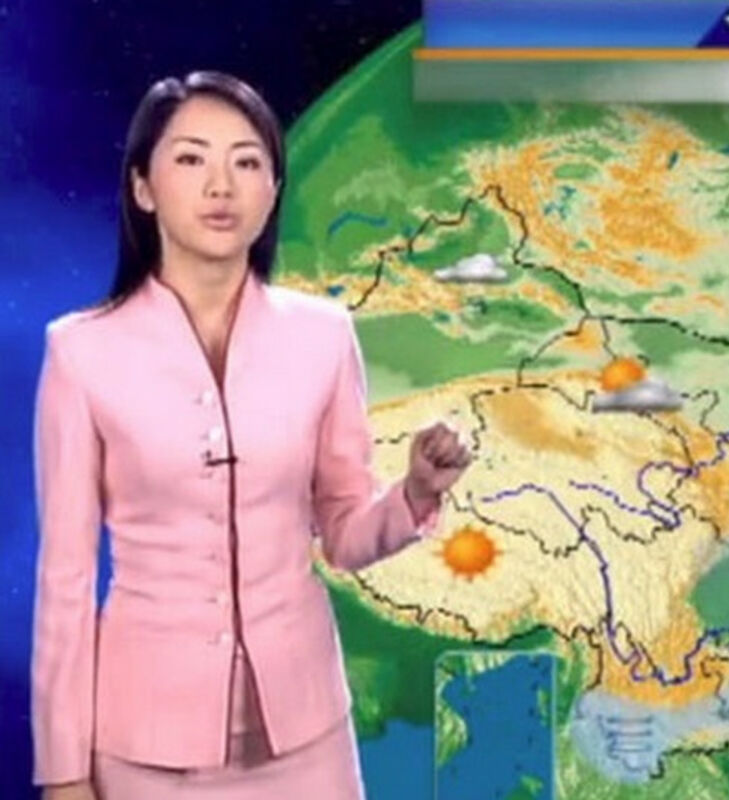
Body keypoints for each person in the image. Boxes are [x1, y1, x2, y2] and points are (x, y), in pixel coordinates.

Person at [30, 71, 472, 799]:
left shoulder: (324, 338)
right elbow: (65, 584)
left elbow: (345, 533)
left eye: (246, 162)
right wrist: (65, 774)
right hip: (144, 744)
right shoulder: (82, 353)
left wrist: (416, 493)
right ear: (142, 188)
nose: (221, 186)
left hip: (305, 740)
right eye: (190, 159)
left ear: (271, 191)